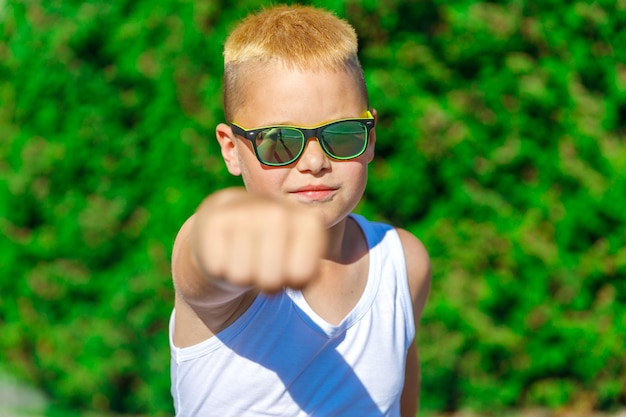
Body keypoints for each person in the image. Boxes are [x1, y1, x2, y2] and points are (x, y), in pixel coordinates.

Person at [169, 4, 431, 416]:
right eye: (280, 141)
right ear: (231, 149)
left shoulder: (404, 263)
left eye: (341, 135)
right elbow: (203, 260)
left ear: (371, 136)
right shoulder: (228, 278)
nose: (313, 162)